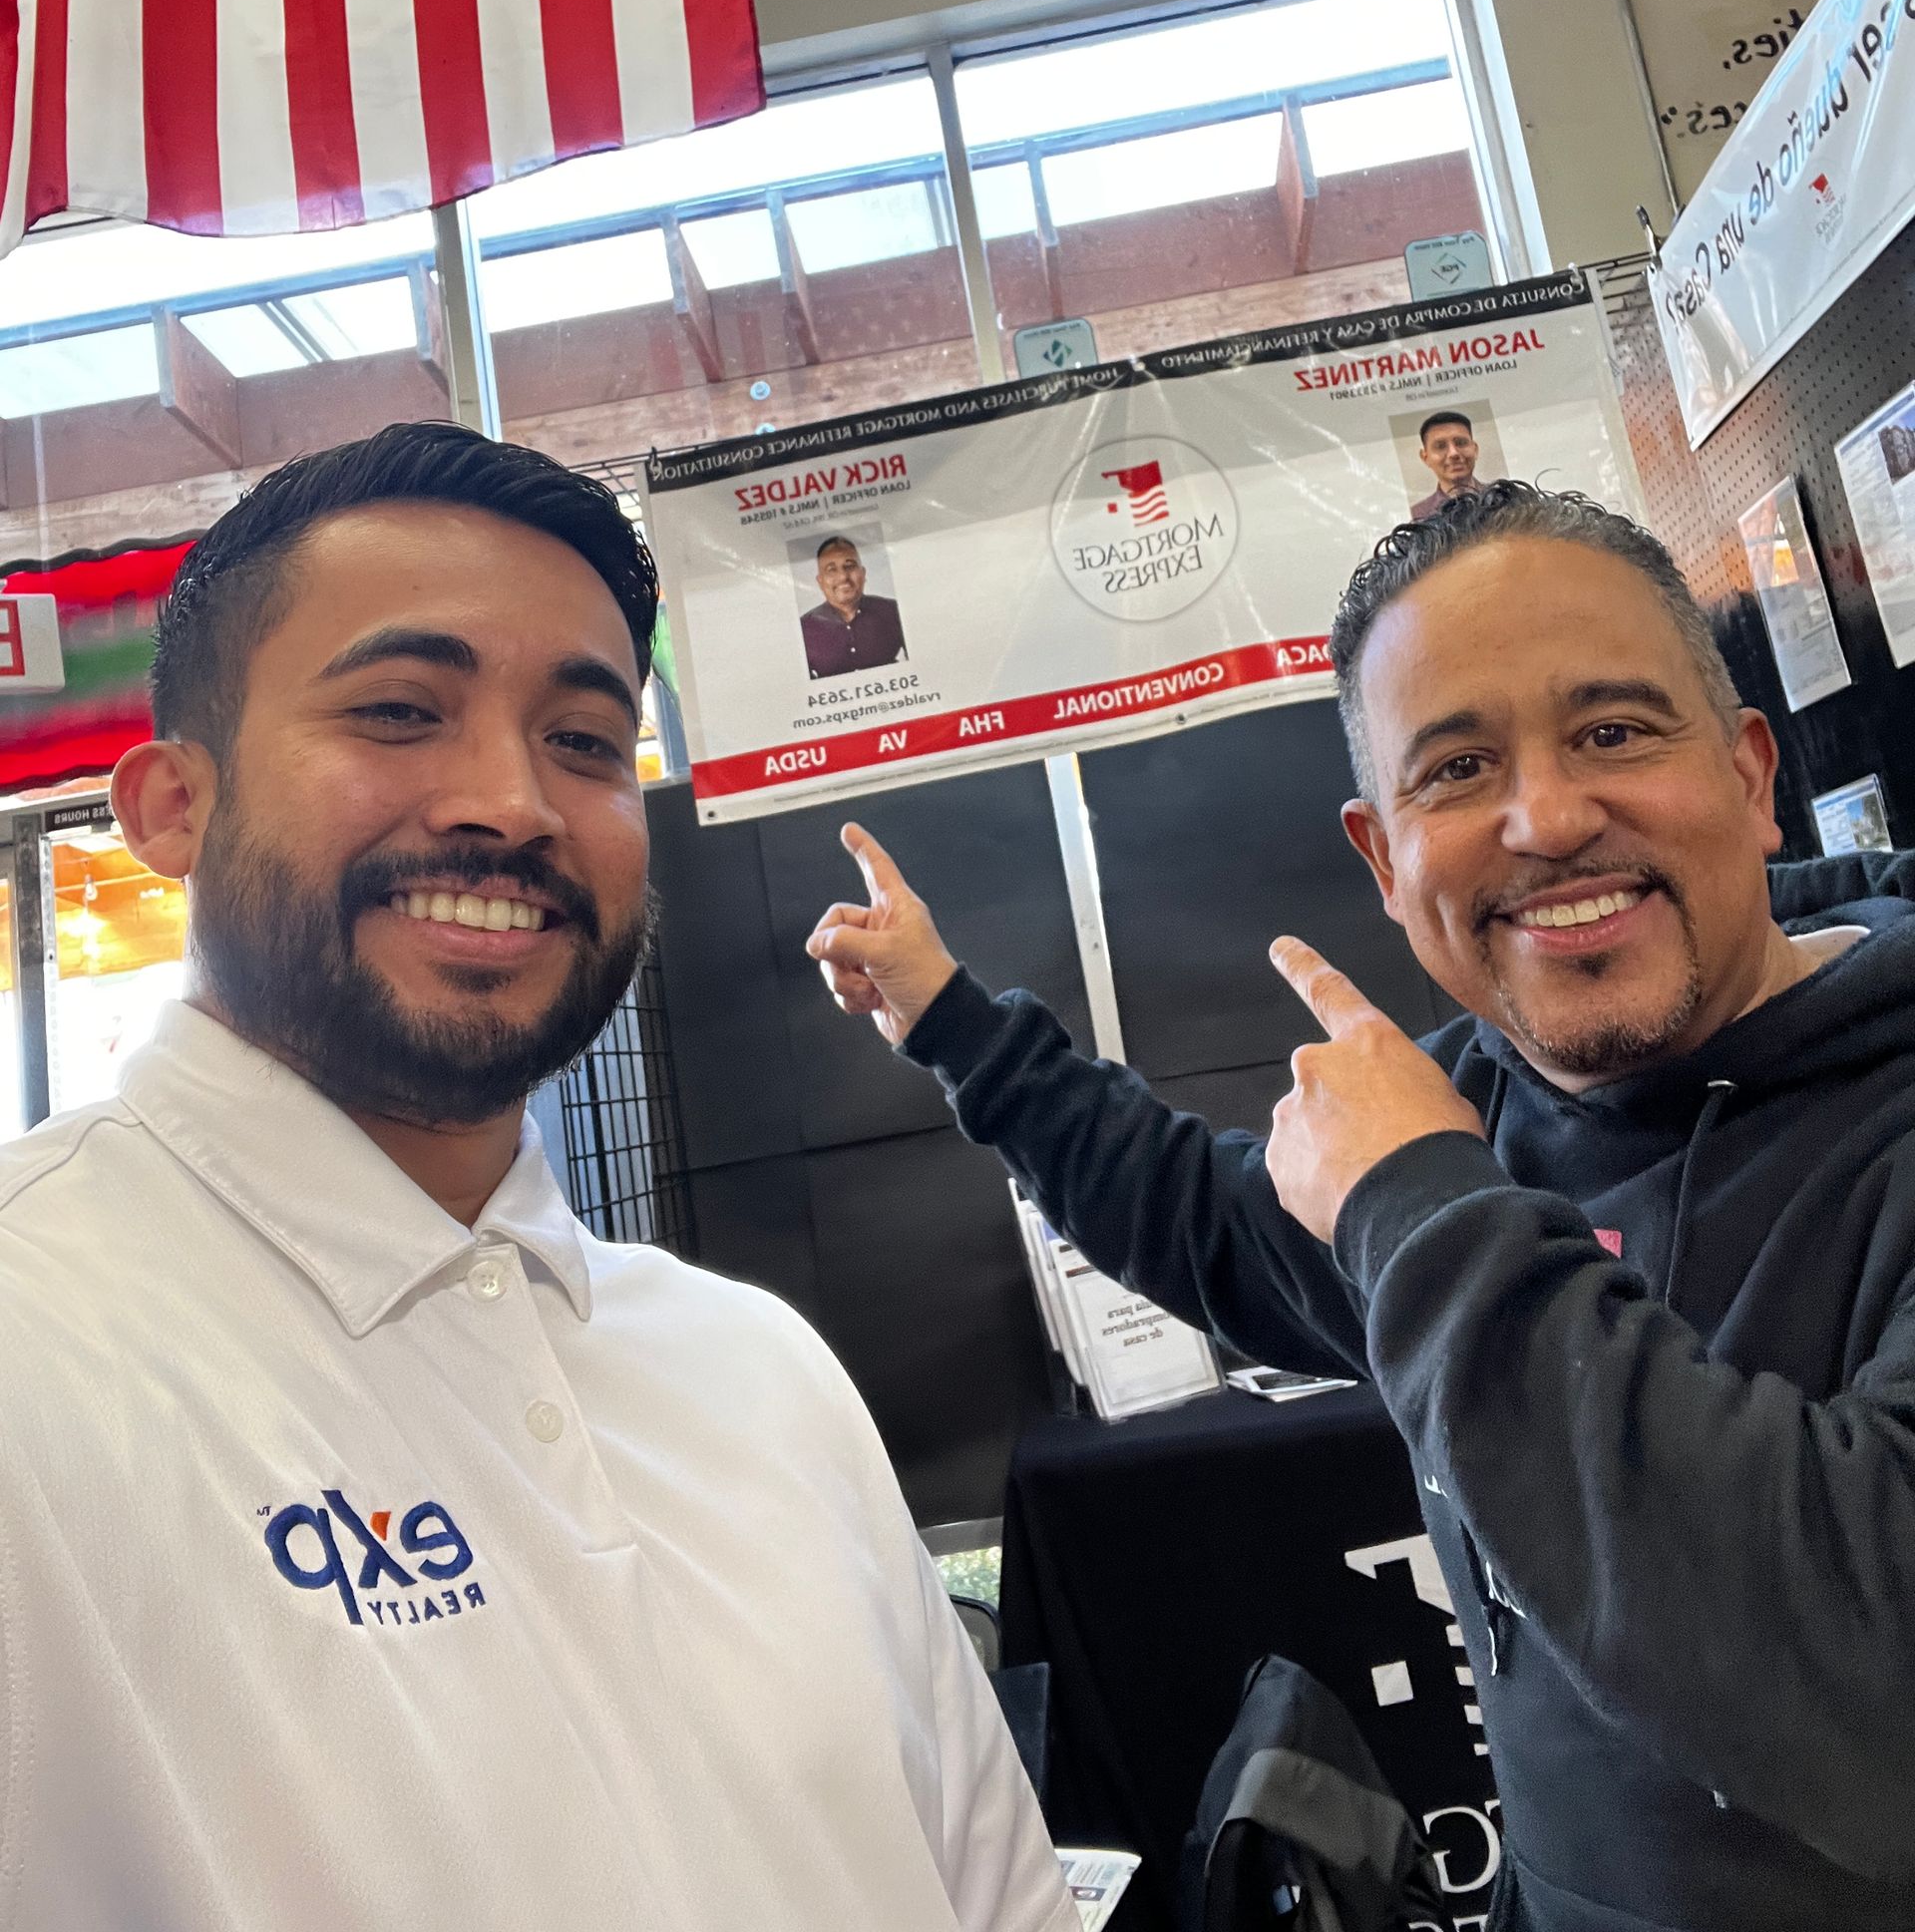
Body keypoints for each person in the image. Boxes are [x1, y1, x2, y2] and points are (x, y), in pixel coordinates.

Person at [0, 423, 1072, 1932]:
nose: (510, 802)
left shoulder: (754, 1368)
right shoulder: (37, 1361)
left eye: (583, 740)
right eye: (398, 710)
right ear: (174, 806)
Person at [809, 481, 1915, 1932]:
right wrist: (953, 1023)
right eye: (1456, 771)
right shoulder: (1481, 1121)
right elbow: (1198, 1220)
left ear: (1752, 774)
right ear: (1384, 862)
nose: (1547, 816)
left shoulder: (1446, 1177)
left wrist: (1417, 1203)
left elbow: (1872, 1699)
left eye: (1614, 732)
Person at [801, 534, 908, 677]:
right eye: (831, 569)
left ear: (863, 574)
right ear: (820, 581)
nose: (843, 577)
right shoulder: (804, 628)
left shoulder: (894, 611)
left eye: (850, 566)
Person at [1408, 407, 1483, 520]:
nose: (1453, 453)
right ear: (1425, 457)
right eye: (1440, 446)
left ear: (1475, 449)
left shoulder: (1505, 499)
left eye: (1461, 443)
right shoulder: (1418, 516)